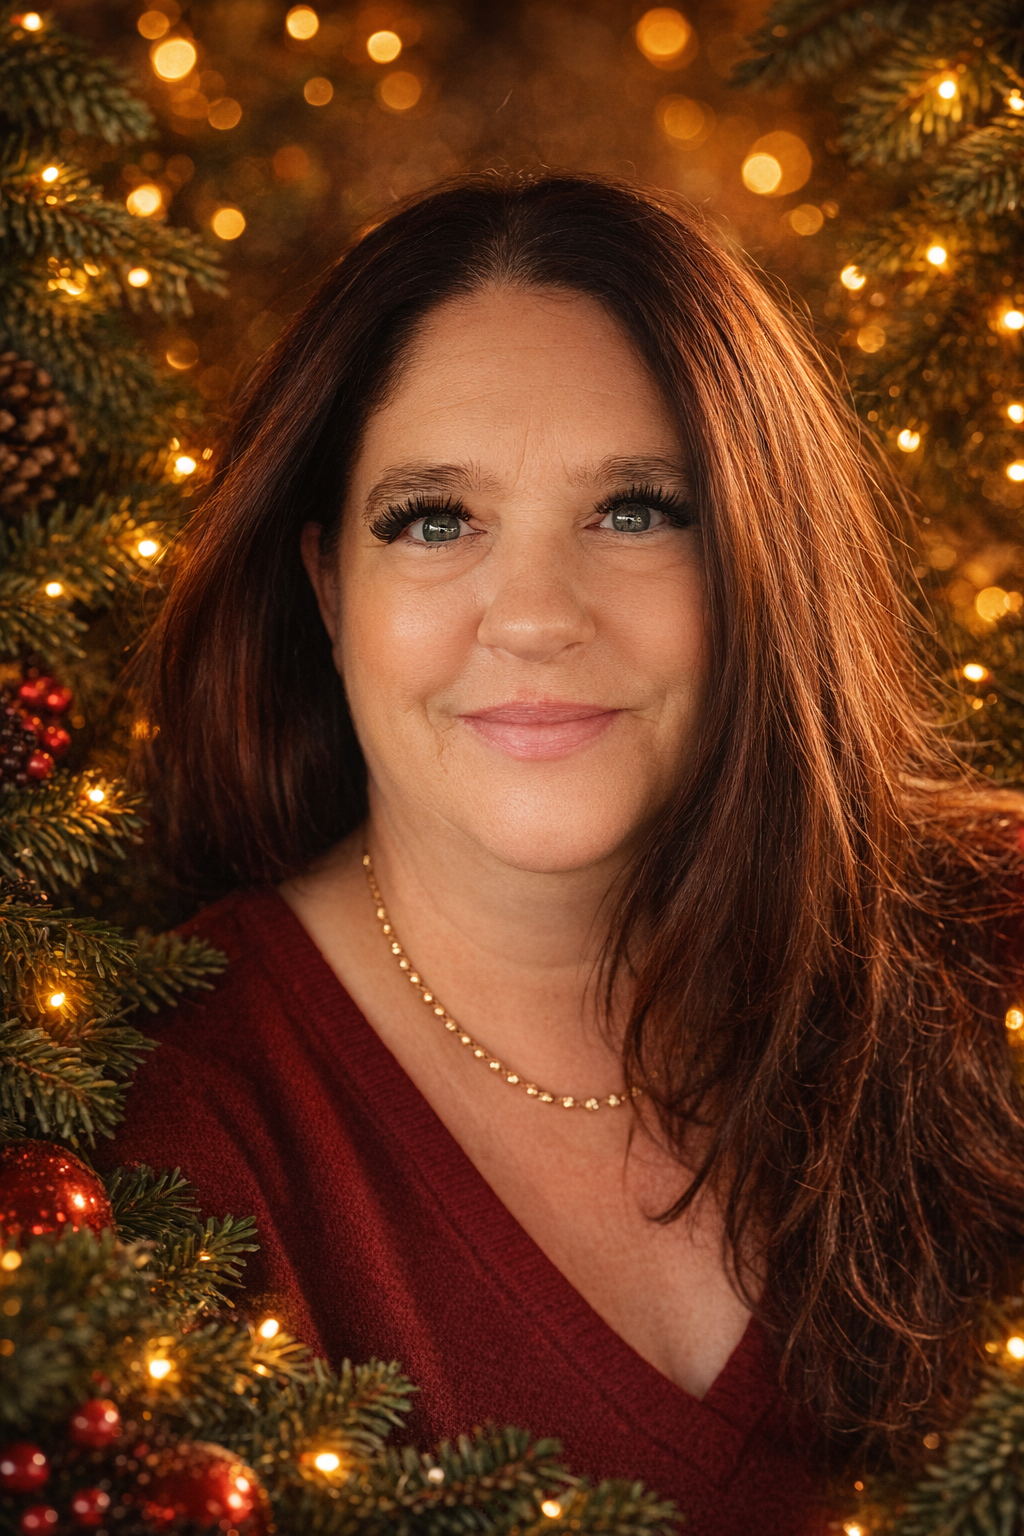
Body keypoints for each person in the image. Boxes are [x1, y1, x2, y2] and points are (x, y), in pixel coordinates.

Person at [109, 173, 1024, 1535]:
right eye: (434, 519)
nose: (534, 615)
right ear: (324, 585)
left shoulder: (996, 944)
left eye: (637, 510)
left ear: (759, 561)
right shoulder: (155, 1122)